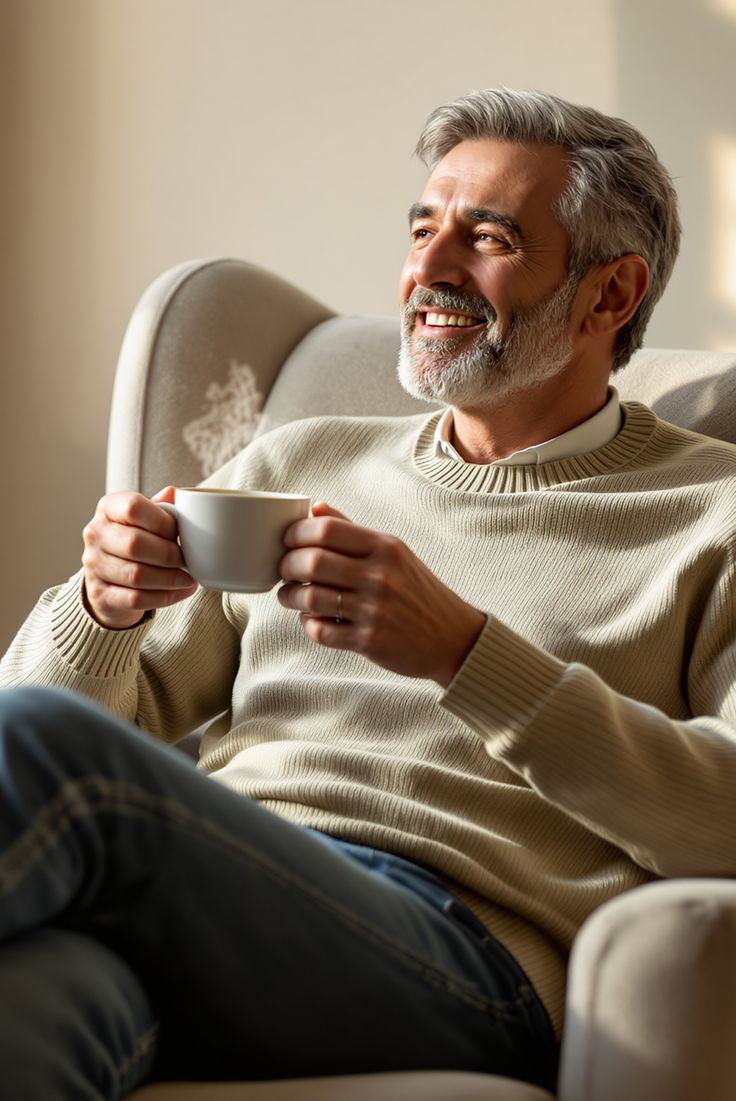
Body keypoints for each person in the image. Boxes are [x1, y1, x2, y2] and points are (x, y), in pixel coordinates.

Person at [1, 87, 735, 1100]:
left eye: (486, 239)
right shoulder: (300, 460)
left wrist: (464, 654)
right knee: (30, 1005)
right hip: (207, 889)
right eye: (422, 229)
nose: (426, 270)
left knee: (47, 751)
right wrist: (101, 611)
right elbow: (81, 713)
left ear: (608, 297)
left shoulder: (715, 514)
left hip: (460, 958)